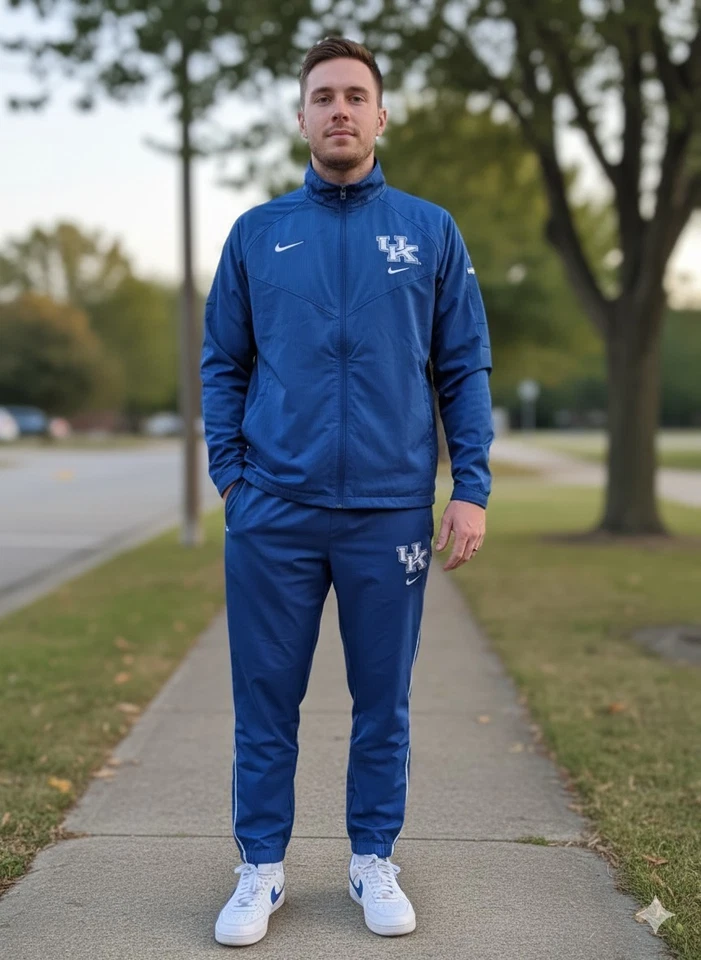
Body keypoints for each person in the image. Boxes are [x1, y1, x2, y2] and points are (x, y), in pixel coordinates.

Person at [200, 36, 493, 947]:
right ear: (300, 117)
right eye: (322, 95)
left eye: (354, 95)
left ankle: (372, 859)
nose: (339, 110)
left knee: (383, 702)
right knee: (264, 702)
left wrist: (468, 485)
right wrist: (232, 479)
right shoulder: (256, 233)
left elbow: (462, 365)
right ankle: (261, 869)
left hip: (387, 512)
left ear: (380, 114)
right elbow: (223, 362)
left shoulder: (430, 229)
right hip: (273, 513)